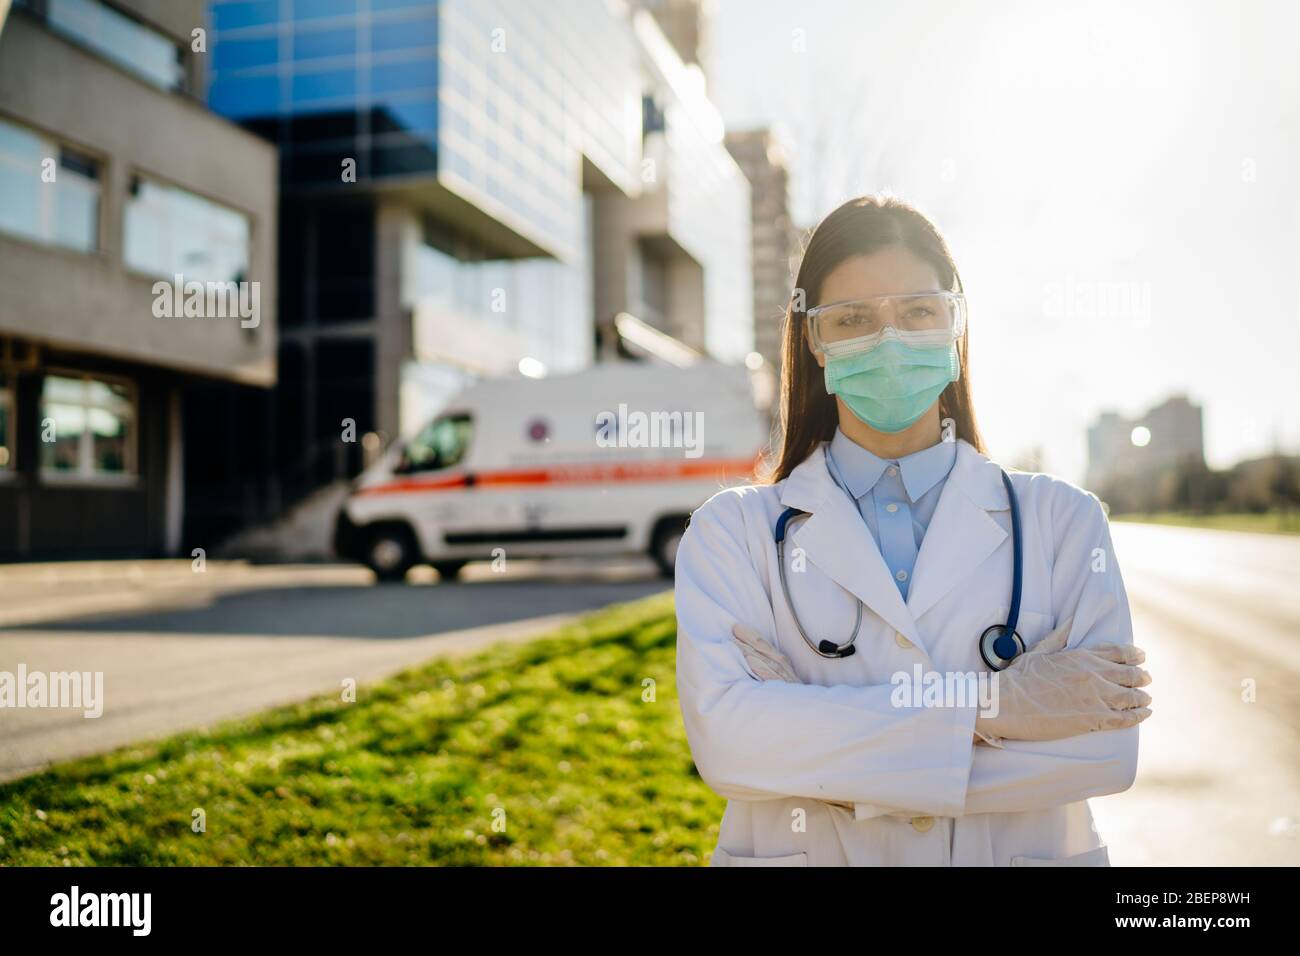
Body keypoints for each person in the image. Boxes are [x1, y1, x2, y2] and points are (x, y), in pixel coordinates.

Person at [674, 195, 1152, 867]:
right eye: (854, 319)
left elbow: (1102, 753)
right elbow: (730, 745)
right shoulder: (732, 533)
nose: (890, 340)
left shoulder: (1065, 521)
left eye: (918, 312)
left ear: (954, 323)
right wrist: (996, 705)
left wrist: (813, 753)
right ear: (812, 338)